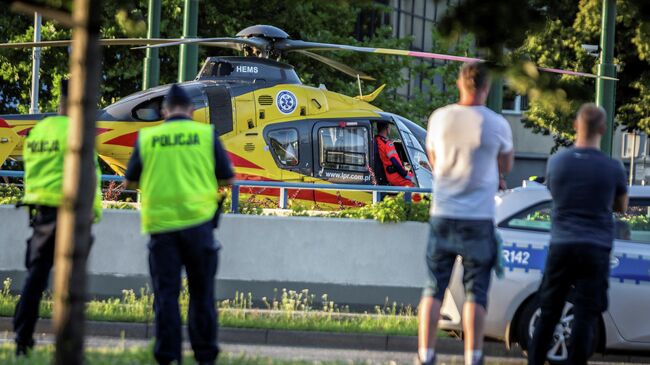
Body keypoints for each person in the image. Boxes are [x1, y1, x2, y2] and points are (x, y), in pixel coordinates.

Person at [124, 84, 234, 365]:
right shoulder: (206, 135)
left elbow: (130, 182)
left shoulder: (148, 138)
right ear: (191, 110)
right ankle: (205, 356)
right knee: (202, 296)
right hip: (199, 228)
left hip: (162, 230)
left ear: (163, 111)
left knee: (166, 297)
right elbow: (227, 179)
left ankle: (168, 356)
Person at [419, 62, 514, 365]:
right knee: (476, 292)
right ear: (486, 87)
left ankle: (426, 354)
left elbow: (433, 159)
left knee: (434, 287)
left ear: (460, 84)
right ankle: (473, 357)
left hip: (443, 213)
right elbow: (506, 165)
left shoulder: (439, 118)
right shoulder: (497, 123)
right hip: (479, 217)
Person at [528, 104, 628, 365]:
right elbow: (622, 206)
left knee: (549, 310)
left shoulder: (557, 162)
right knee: (585, 313)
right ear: (603, 130)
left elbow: (554, 194)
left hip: (562, 244)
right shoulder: (613, 167)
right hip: (595, 248)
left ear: (575, 125)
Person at [14, 79, 103, 356]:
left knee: (35, 278)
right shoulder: (79, 133)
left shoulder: (40, 131)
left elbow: (32, 171)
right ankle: (68, 343)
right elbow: (90, 176)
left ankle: (22, 338)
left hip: (41, 213)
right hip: (72, 213)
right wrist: (93, 213)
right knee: (72, 283)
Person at [375, 122, 415, 187]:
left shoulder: (377, 140)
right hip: (396, 176)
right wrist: (405, 174)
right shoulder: (387, 143)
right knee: (414, 183)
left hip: (390, 175)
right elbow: (394, 161)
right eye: (389, 128)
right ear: (387, 128)